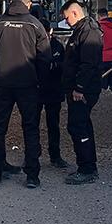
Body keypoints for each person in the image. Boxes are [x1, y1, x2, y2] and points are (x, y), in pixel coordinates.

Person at [0, 0, 50, 189]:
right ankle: (32, 175)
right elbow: (45, 56)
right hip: (28, 85)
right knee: (30, 128)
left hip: (2, 84)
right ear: (27, 5)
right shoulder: (35, 25)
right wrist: (38, 80)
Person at [61, 0, 103, 185]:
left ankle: (87, 168)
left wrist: (80, 88)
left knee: (78, 126)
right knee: (81, 125)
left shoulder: (89, 32)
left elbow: (88, 64)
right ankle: (86, 165)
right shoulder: (82, 31)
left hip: (83, 91)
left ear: (75, 13)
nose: (66, 21)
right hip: (78, 88)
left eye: (67, 17)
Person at [37, 18, 69, 168]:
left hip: (54, 90)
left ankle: (55, 155)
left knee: (53, 125)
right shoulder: (32, 45)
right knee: (32, 124)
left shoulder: (57, 46)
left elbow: (65, 65)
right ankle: (33, 155)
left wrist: (55, 65)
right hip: (36, 90)